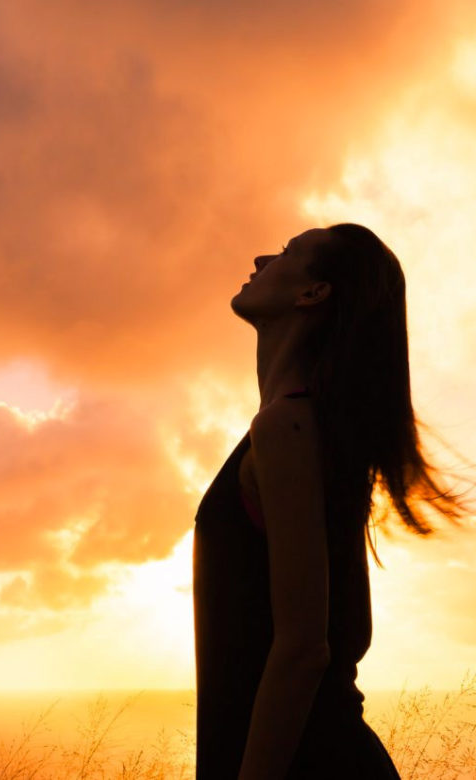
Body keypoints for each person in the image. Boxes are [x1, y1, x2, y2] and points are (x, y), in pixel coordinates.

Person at [192, 223, 473, 779]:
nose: (259, 253)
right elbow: (353, 630)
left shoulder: (287, 428)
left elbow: (305, 649)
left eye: (288, 251)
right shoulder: (311, 427)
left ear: (312, 293)